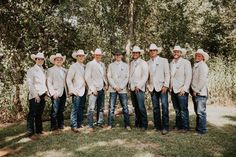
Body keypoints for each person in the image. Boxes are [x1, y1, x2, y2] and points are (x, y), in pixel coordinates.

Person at [147, 44, 170, 135]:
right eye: (151, 50)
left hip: (162, 87)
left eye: (154, 50)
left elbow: (167, 74)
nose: (152, 52)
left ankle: (165, 127)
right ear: (149, 52)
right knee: (155, 108)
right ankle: (157, 126)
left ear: (157, 51)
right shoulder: (148, 62)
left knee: (164, 107)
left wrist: (166, 85)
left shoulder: (164, 61)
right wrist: (148, 86)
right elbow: (147, 76)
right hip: (152, 88)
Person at [107, 49, 131, 130]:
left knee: (125, 107)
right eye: (116, 55)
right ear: (114, 56)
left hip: (122, 89)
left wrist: (121, 86)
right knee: (111, 107)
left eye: (119, 54)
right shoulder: (111, 65)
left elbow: (127, 77)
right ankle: (110, 124)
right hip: (113, 88)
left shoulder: (126, 66)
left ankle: (127, 125)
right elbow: (109, 77)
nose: (117, 56)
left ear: (122, 56)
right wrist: (114, 86)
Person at [170, 46, 192, 133]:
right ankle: (178, 125)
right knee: (176, 109)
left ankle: (185, 127)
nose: (176, 53)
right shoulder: (171, 63)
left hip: (181, 89)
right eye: (174, 52)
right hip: (173, 89)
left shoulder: (186, 62)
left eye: (178, 52)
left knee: (183, 109)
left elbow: (188, 76)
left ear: (181, 53)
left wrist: (184, 88)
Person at [85, 48, 108, 132]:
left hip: (101, 88)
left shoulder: (102, 64)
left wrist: (106, 84)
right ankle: (90, 125)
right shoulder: (90, 64)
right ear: (94, 55)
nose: (98, 56)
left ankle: (100, 122)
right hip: (93, 89)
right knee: (91, 108)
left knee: (100, 107)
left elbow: (104, 76)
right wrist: (92, 88)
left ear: (101, 56)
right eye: (97, 55)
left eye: (100, 55)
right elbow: (87, 77)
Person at [26, 52, 47, 137]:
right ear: (35, 60)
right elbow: (30, 84)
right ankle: (30, 132)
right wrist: (35, 95)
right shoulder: (31, 70)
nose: (40, 60)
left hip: (42, 94)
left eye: (42, 59)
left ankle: (39, 130)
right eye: (38, 59)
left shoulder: (44, 70)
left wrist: (45, 93)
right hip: (35, 95)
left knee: (39, 113)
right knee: (32, 113)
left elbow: (44, 83)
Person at [67, 50, 87, 133]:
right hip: (76, 91)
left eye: (82, 56)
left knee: (81, 107)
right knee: (75, 108)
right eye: (79, 56)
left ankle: (79, 123)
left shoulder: (85, 66)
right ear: (76, 57)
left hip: (84, 90)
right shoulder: (73, 66)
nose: (81, 57)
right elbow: (68, 79)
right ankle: (74, 125)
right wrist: (73, 90)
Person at [129, 46, 149, 130]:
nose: (135, 54)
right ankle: (138, 122)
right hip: (132, 87)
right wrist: (130, 86)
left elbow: (145, 76)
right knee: (136, 106)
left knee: (141, 106)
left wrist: (139, 85)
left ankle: (144, 124)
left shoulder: (143, 63)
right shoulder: (131, 63)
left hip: (139, 88)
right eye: (134, 53)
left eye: (136, 53)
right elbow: (130, 75)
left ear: (139, 54)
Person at [191, 49, 209, 134]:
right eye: (196, 55)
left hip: (200, 92)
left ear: (203, 57)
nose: (197, 57)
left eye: (199, 56)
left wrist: (196, 90)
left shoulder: (203, 66)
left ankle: (202, 130)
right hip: (196, 92)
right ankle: (198, 128)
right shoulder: (196, 65)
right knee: (197, 111)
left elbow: (202, 80)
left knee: (201, 112)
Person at [47, 53, 67, 131]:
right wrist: (53, 93)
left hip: (63, 92)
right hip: (55, 92)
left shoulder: (64, 70)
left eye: (60, 60)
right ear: (54, 61)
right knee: (55, 110)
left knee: (61, 109)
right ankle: (53, 126)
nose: (59, 61)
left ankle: (61, 124)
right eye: (57, 59)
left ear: (62, 61)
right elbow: (49, 82)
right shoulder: (50, 70)